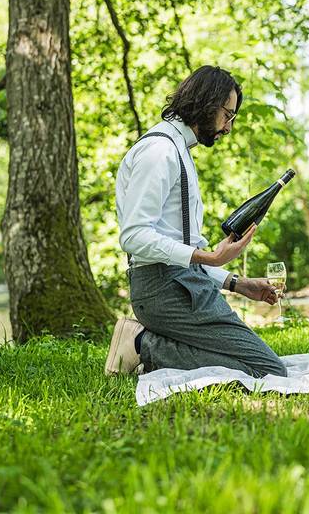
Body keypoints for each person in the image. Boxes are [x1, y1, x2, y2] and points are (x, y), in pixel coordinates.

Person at [105, 65, 287, 378]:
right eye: (228, 115)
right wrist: (208, 256)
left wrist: (238, 284)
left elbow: (182, 243)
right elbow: (134, 236)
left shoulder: (178, 149)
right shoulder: (159, 151)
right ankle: (140, 345)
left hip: (182, 284)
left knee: (262, 366)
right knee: (267, 370)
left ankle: (141, 344)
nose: (228, 127)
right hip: (164, 289)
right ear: (207, 102)